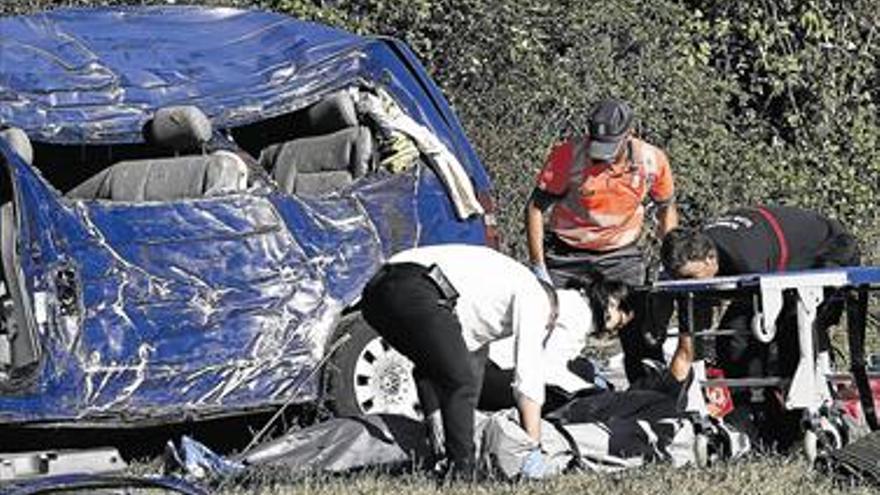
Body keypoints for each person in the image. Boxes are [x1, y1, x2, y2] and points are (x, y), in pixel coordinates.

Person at [359, 244, 635, 480]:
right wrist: (532, 446)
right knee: (462, 379)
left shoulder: (488, 302)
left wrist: (436, 423)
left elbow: (434, 368)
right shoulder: (534, 295)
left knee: (458, 369)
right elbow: (528, 379)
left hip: (376, 293)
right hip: (414, 285)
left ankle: (445, 454)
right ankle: (462, 475)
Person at [659, 205, 860, 380]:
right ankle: (750, 409)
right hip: (773, 259)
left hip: (829, 248)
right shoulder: (688, 275)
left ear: (710, 259)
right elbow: (687, 349)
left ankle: (807, 402)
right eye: (681, 280)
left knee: (790, 336)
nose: (689, 285)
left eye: (692, 278)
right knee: (730, 343)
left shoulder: (747, 259)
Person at [525, 99, 679, 287]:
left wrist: (670, 259)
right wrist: (538, 266)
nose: (601, 156)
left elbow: (666, 207)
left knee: (634, 310)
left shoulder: (651, 161)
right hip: (567, 256)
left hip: (622, 257)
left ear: (629, 134)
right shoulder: (568, 155)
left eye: (610, 147)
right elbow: (534, 208)